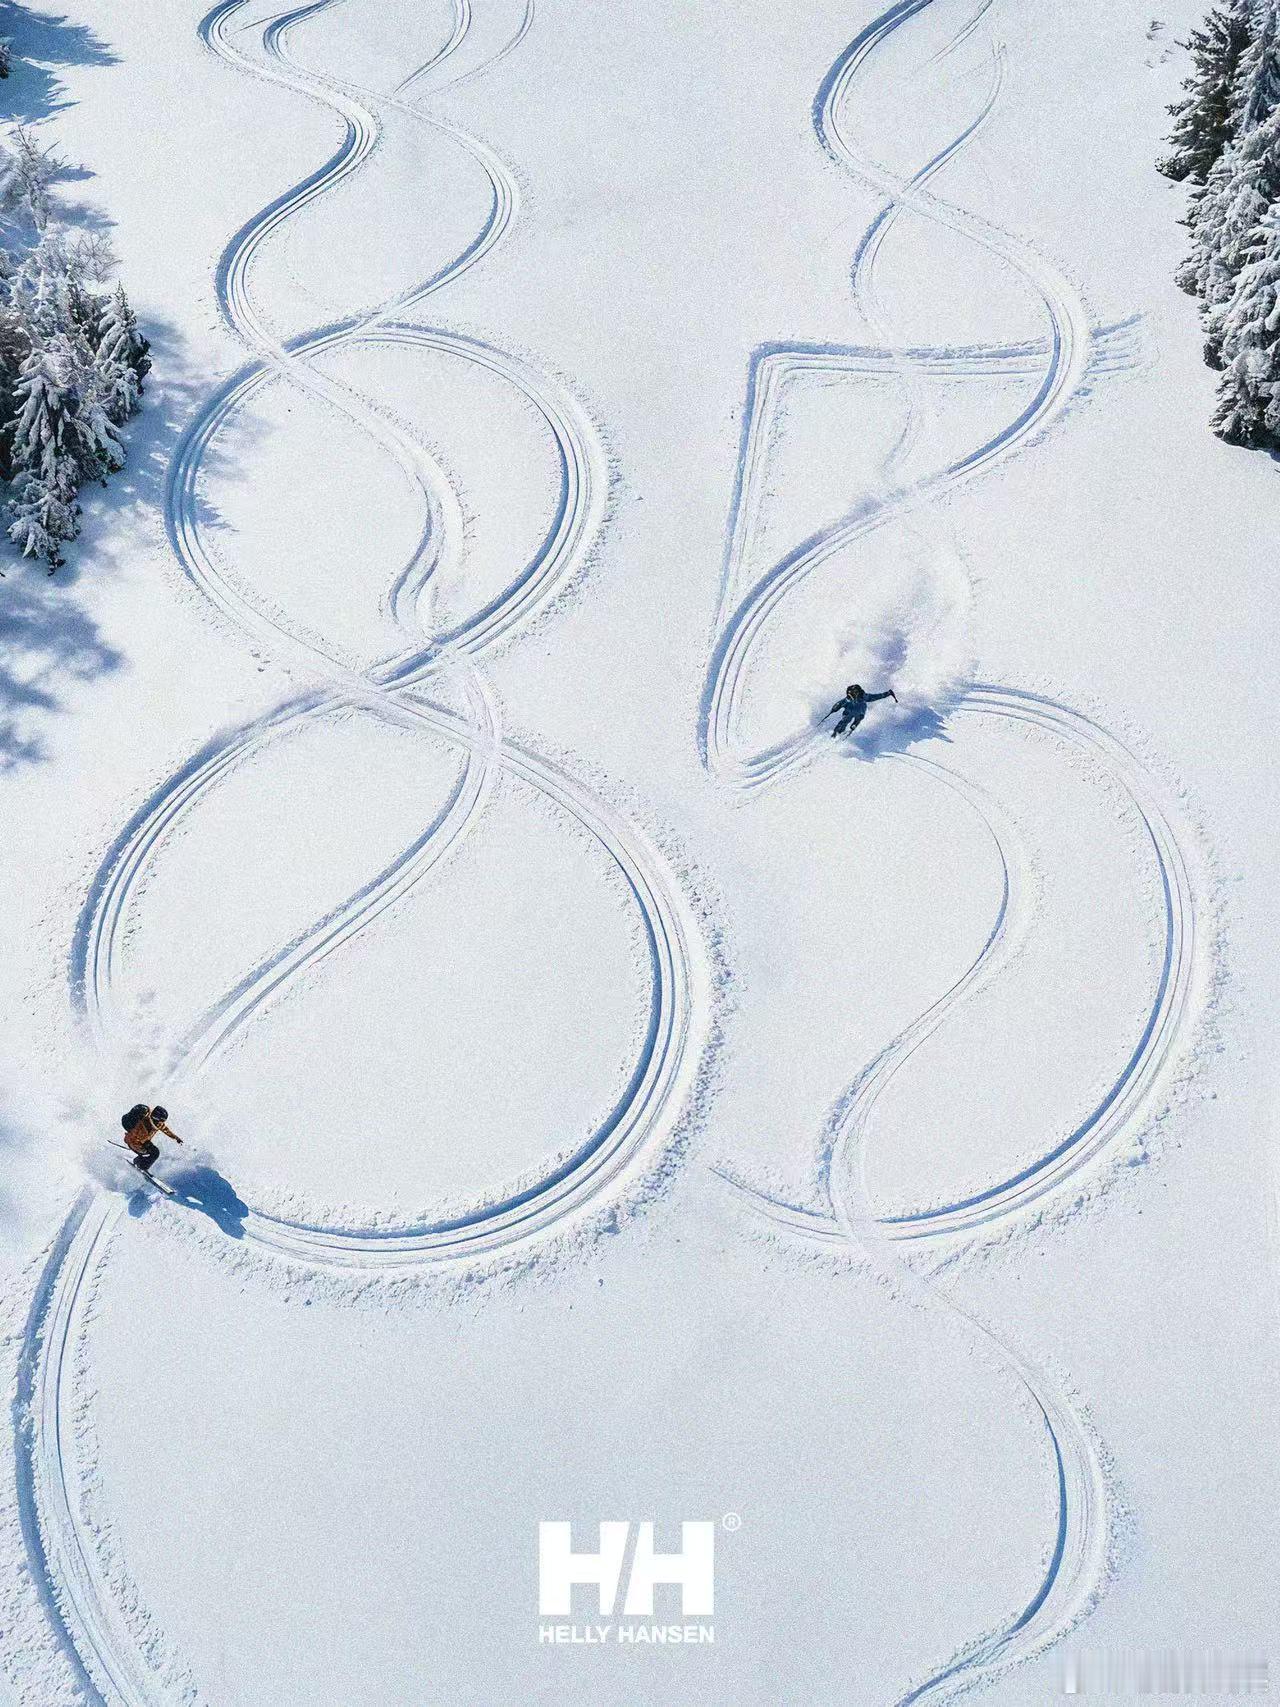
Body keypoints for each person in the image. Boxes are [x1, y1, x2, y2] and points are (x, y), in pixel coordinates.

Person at [121, 1103, 183, 1174]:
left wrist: (176, 1138)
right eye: (159, 1121)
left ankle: (138, 1161)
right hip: (133, 1142)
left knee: (154, 1152)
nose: (160, 1124)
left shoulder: (157, 1123)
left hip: (143, 1142)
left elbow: (165, 1130)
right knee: (153, 1153)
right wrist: (141, 1150)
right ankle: (141, 1165)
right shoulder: (142, 1126)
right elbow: (131, 1139)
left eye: (162, 1122)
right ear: (155, 1119)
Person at [824, 682, 897, 737]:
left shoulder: (864, 697)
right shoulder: (848, 699)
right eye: (849, 693)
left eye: (853, 693)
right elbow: (840, 703)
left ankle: (852, 727)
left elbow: (877, 696)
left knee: (856, 719)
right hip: (849, 712)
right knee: (844, 721)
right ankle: (837, 732)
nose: (850, 695)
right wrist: (834, 708)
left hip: (859, 712)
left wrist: (888, 693)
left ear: (858, 692)